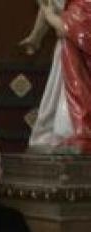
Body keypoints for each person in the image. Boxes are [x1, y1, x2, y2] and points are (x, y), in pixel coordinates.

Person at [19, 0, 91, 153]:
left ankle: (74, 133)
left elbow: (51, 11)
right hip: (72, 50)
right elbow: (49, 5)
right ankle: (67, 133)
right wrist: (35, 37)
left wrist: (48, 19)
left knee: (74, 90)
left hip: (76, 45)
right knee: (67, 92)